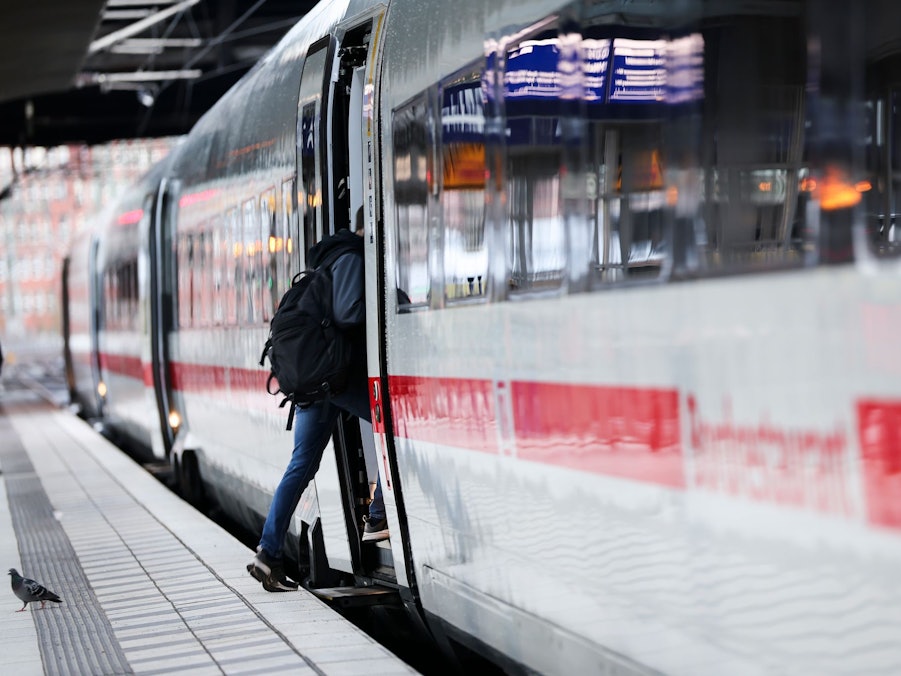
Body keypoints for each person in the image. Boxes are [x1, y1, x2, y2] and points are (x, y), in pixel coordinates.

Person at [248, 219, 389, 593]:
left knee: (301, 465)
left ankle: (268, 552)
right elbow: (349, 313)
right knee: (390, 422)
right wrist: (391, 302)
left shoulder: (326, 259)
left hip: (315, 383)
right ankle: (378, 514)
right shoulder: (352, 257)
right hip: (334, 379)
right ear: (369, 227)